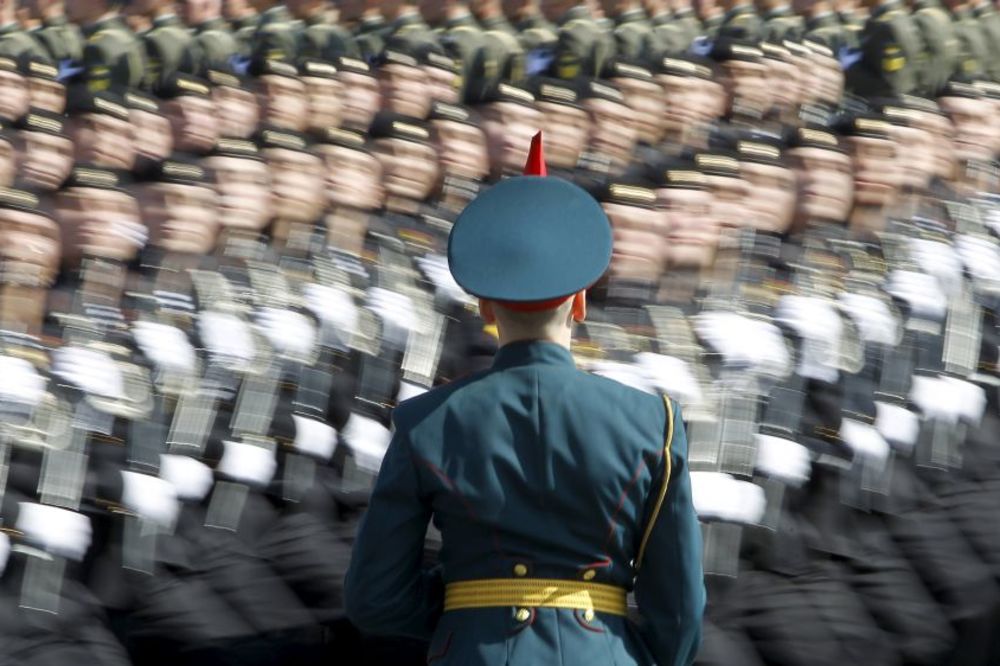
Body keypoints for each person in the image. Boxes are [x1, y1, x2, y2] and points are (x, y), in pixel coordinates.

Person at [345, 133, 705, 666]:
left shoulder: (426, 422)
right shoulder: (654, 421)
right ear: (580, 301)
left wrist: (470, 616)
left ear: (485, 307)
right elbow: (680, 609)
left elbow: (374, 598)